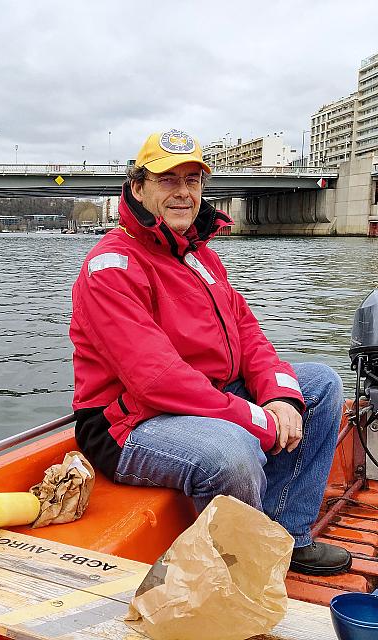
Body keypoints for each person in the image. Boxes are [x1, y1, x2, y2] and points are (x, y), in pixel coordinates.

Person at [69, 128, 351, 576]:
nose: (183, 193)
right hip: (129, 420)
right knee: (230, 451)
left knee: (318, 385)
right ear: (138, 188)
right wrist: (257, 419)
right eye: (168, 180)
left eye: (193, 180)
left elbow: (248, 335)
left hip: (204, 397)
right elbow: (157, 379)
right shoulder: (112, 267)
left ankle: (286, 536)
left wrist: (280, 397)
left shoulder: (201, 256)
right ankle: (240, 578)